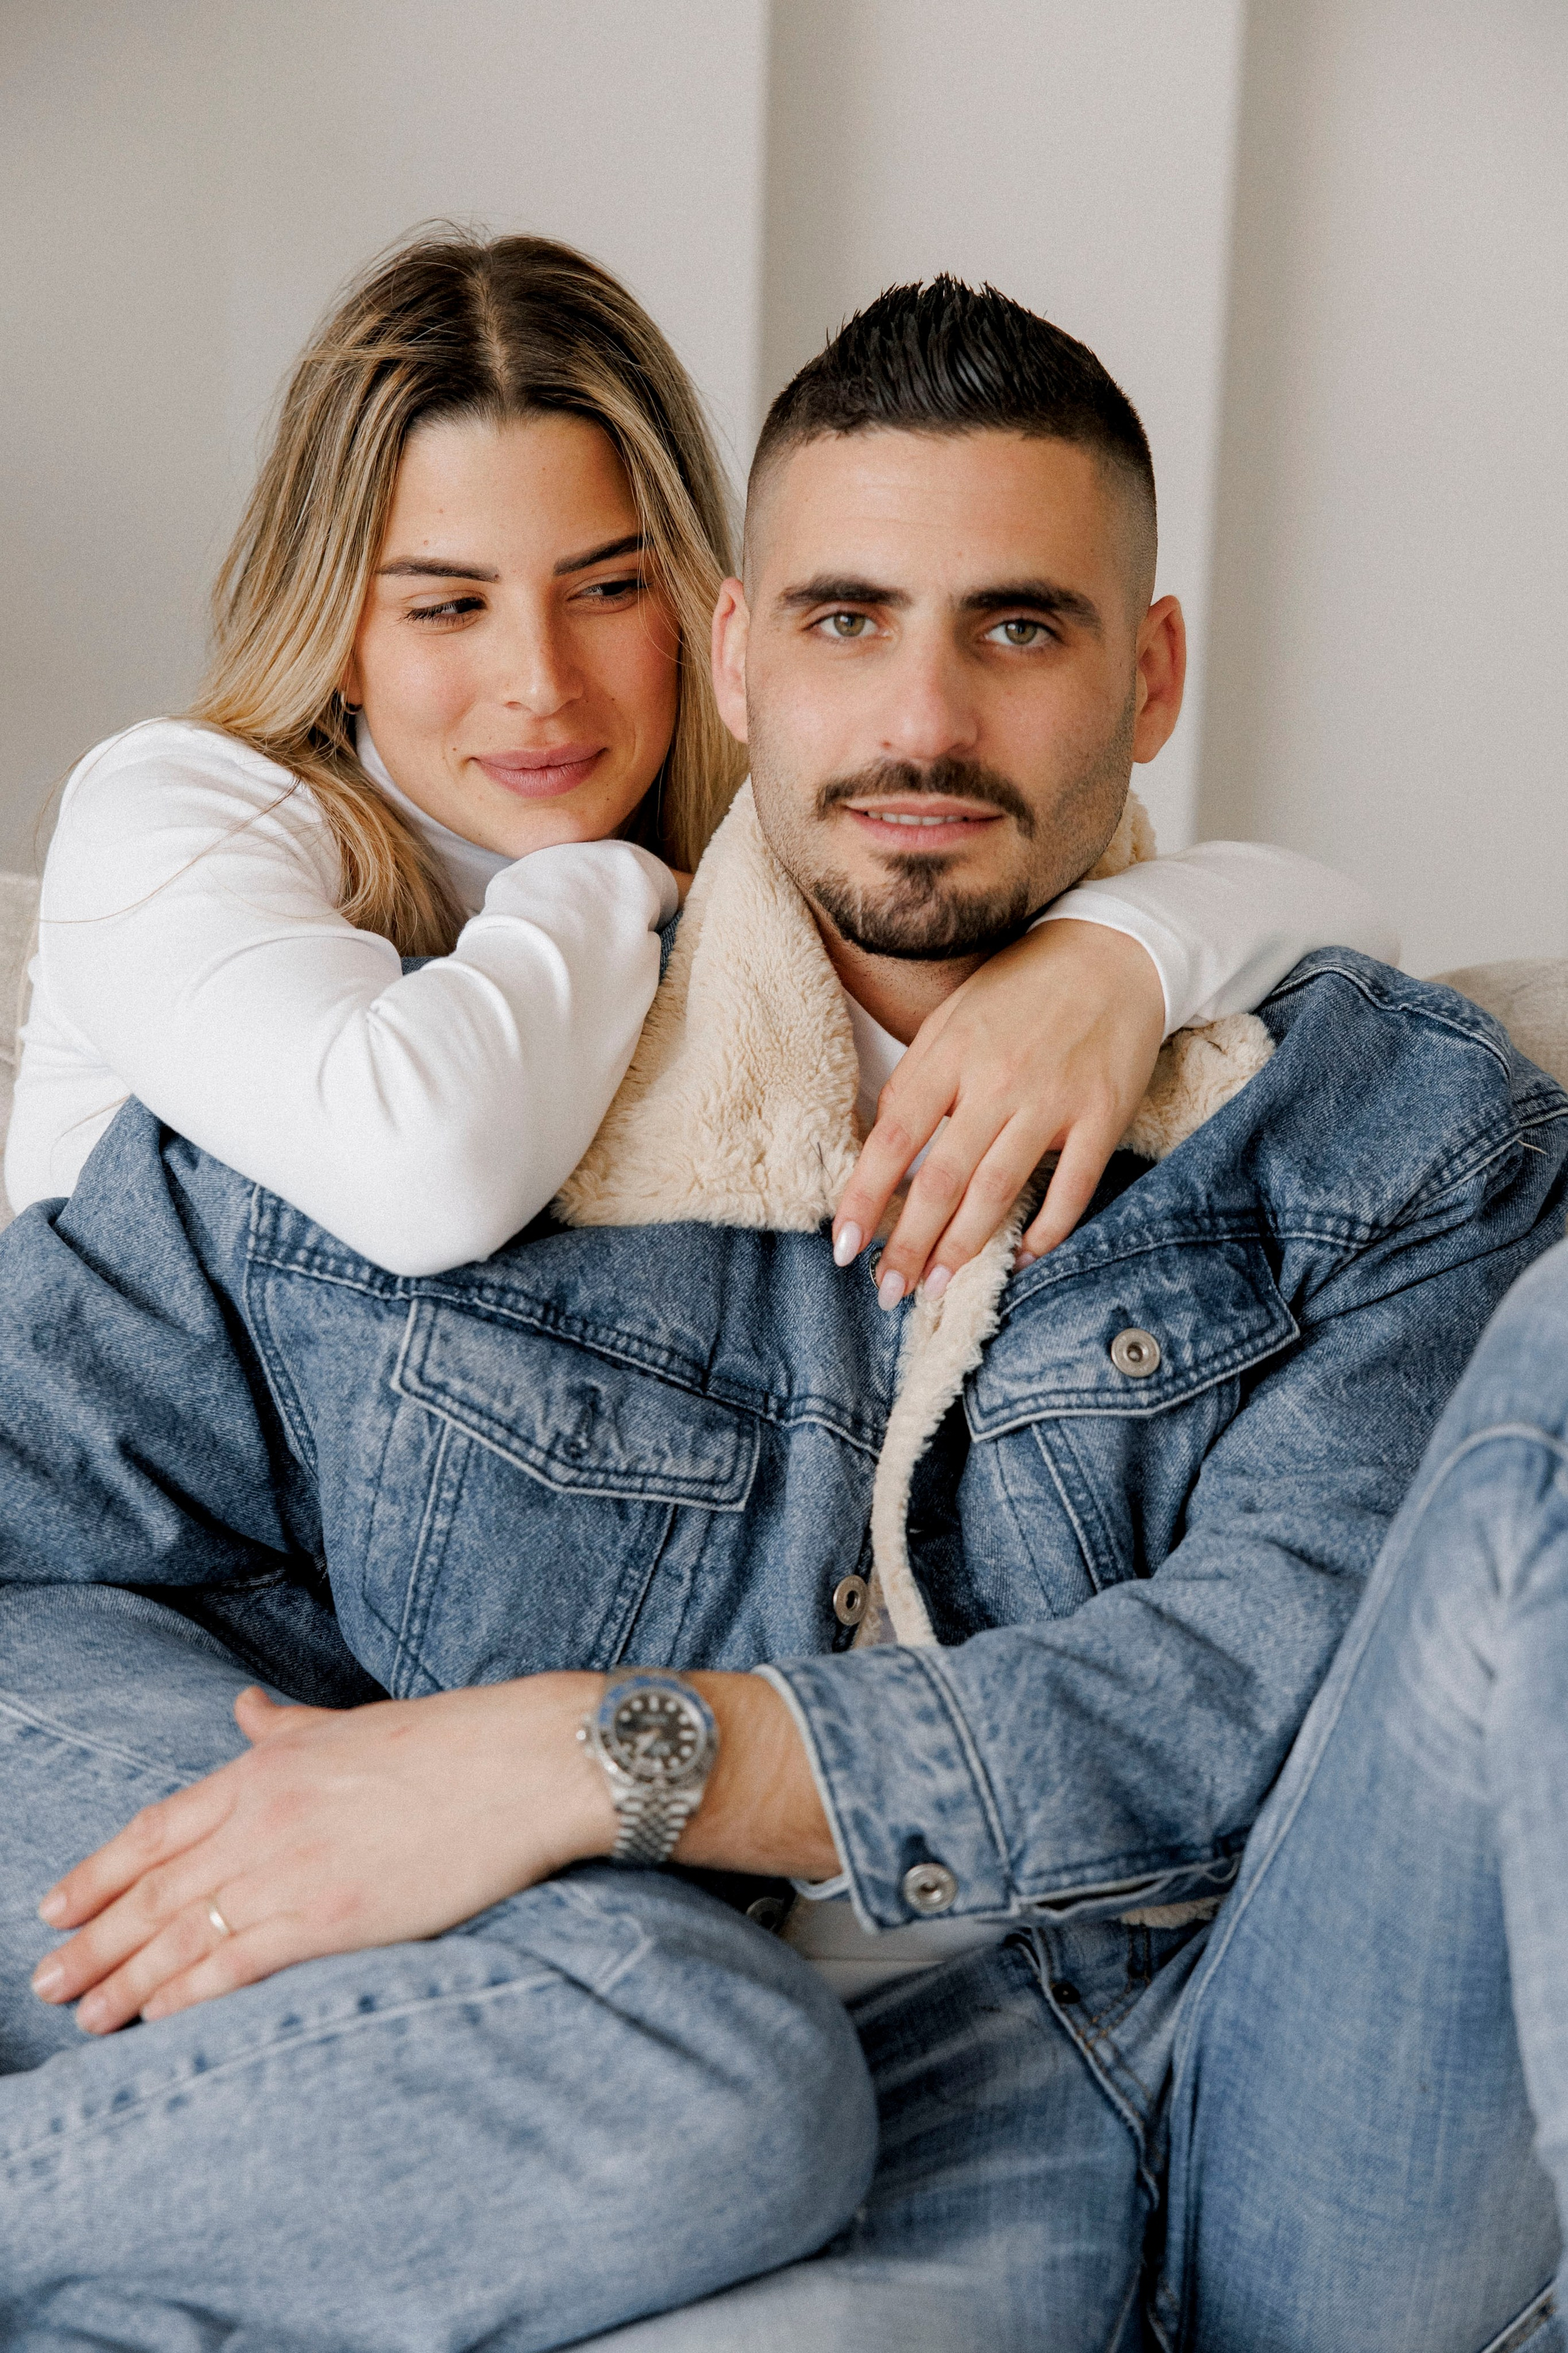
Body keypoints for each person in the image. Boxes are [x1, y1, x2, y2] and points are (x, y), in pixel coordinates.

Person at [2, 279, 1562, 2352]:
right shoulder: (462, 1070)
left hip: (1294, 2062)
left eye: (1021, 624)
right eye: (848, 621)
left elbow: (1230, 1700)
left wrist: (608, 1757)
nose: (927, 721)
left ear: (1152, 669)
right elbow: (39, 1497)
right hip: (742, 2116)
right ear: (739, 651)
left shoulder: (1387, 1131)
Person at [6, 230, 1390, 1296]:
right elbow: (418, 1171)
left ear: (706, 618)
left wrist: (1117, 956)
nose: (539, 683)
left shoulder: (774, 842)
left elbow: (1351, 930)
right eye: (446, 604)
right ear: (336, 633)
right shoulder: (177, 810)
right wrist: (600, 884)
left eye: (607, 590)